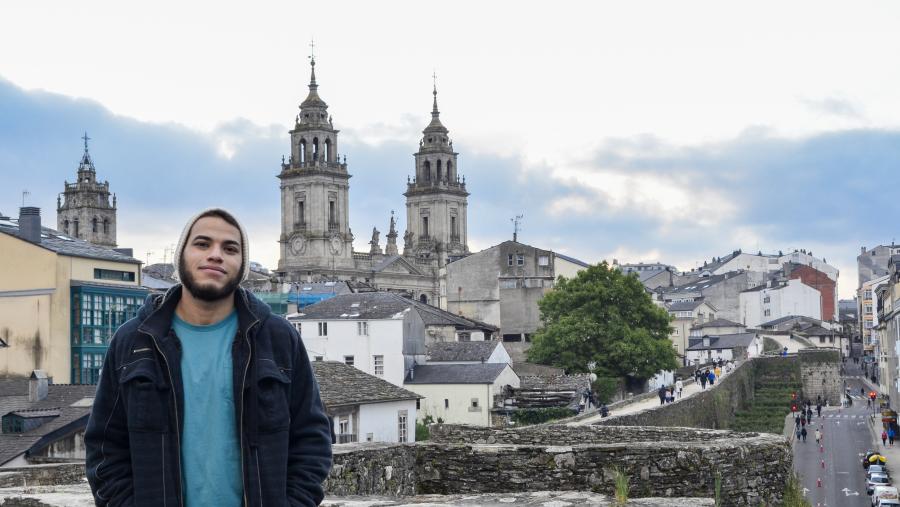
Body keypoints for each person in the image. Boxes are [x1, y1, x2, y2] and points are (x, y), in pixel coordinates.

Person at [85, 208, 333, 507]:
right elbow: (104, 448)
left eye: (230, 248)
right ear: (182, 256)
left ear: (241, 265)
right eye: (202, 244)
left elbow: (311, 439)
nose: (216, 255)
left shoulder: (278, 338)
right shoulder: (133, 341)